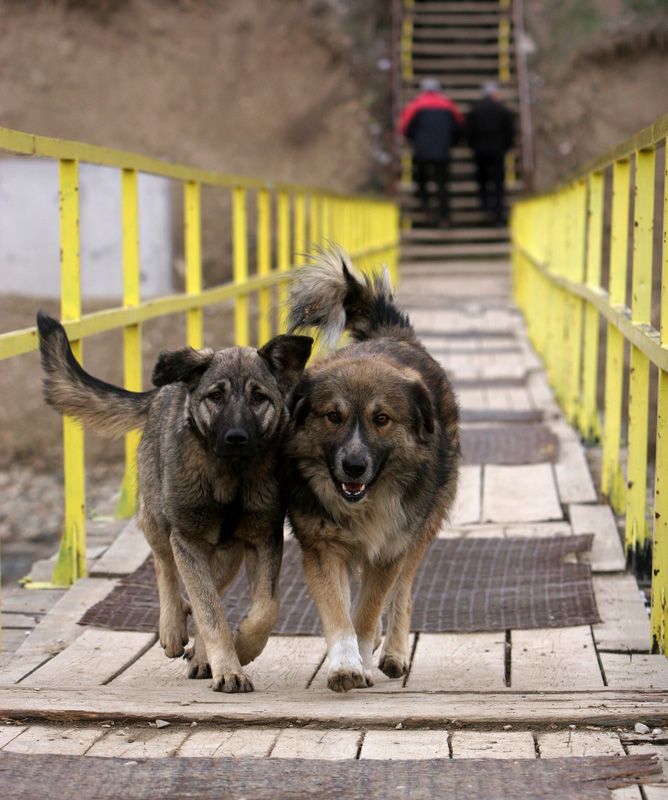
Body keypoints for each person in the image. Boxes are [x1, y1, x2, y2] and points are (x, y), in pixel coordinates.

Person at [399, 77, 463, 227]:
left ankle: (426, 208)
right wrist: (452, 143)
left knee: (421, 180)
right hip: (443, 151)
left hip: (422, 151)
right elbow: (459, 128)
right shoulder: (449, 106)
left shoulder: (415, 106)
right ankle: (444, 217)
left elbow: (405, 129)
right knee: (442, 185)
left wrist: (415, 139)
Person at [465, 82, 515, 226]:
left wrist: (473, 146)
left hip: (480, 152)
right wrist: (506, 147)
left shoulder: (475, 110)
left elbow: (469, 132)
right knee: (498, 184)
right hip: (498, 152)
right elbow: (509, 133)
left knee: (482, 180)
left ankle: (485, 207)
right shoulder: (503, 110)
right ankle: (498, 214)